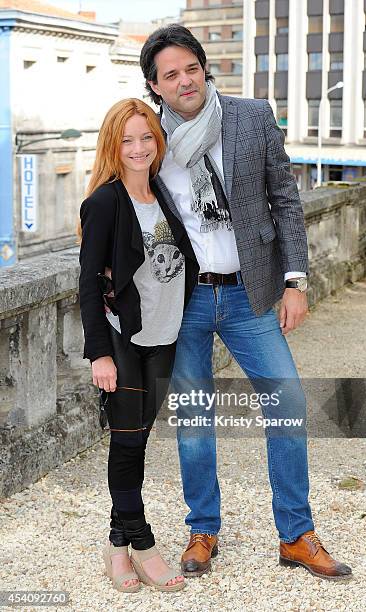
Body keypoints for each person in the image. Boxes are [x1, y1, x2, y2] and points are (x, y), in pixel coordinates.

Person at [139, 25, 353, 581]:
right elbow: (126, 206)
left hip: (248, 293)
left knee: (288, 404)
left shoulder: (252, 116)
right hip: (182, 299)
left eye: (191, 68)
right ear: (155, 86)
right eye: (170, 75)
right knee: (193, 416)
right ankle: (203, 527)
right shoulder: (149, 140)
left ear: (205, 69)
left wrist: (296, 281)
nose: (184, 80)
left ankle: (297, 534)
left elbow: (286, 201)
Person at [78, 98, 199, 592]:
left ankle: (115, 547)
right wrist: (99, 353)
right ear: (113, 145)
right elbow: (87, 282)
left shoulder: (165, 196)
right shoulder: (105, 202)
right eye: (127, 139)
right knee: (127, 443)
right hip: (123, 342)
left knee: (137, 443)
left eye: (146, 136)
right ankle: (144, 546)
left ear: (157, 139)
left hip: (164, 338)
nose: (138, 147)